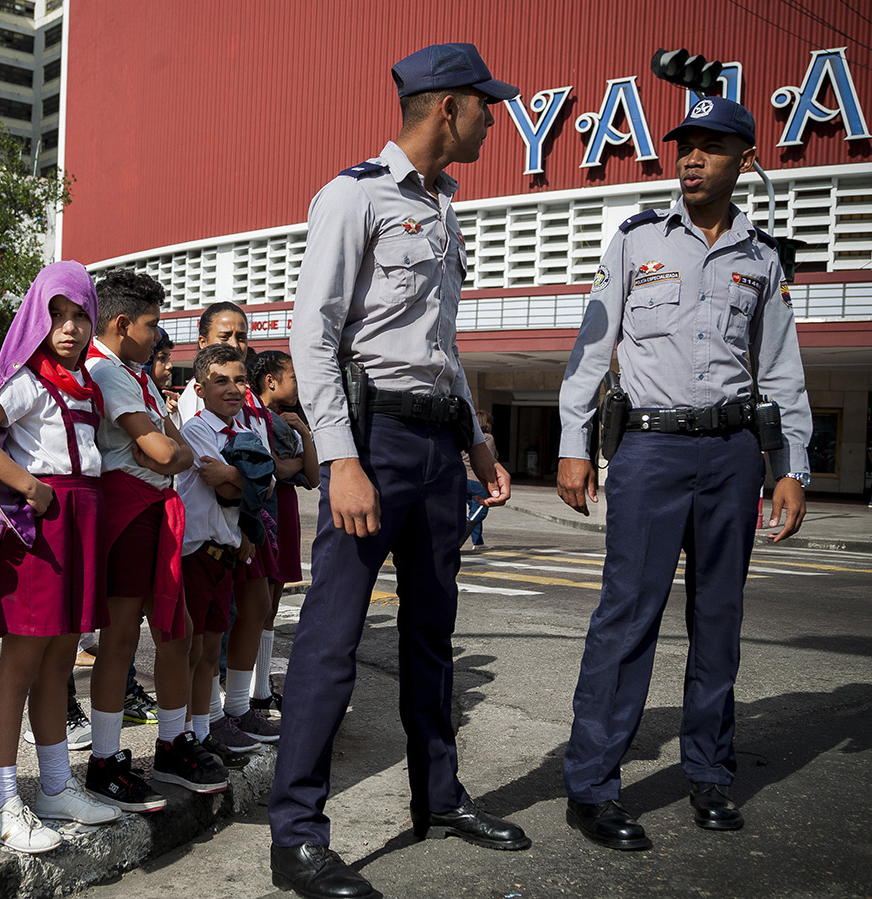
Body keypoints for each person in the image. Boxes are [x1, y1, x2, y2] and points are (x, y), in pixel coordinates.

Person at [269, 43, 528, 899]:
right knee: (332, 639)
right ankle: (296, 836)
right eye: (485, 104)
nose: (495, 116)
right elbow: (315, 334)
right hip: (370, 440)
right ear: (446, 106)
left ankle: (438, 796)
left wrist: (476, 439)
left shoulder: (446, 205)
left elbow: (437, 348)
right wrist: (340, 458)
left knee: (430, 633)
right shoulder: (352, 195)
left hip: (433, 446)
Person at [556, 96, 812, 850]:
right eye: (684, 146)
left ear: (745, 160)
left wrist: (786, 466)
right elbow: (591, 342)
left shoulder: (761, 259)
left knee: (718, 624)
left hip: (731, 453)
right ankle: (593, 786)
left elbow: (779, 371)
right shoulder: (635, 241)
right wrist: (573, 437)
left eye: (710, 147)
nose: (691, 158)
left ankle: (708, 773)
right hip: (649, 449)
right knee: (625, 618)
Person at [0, 260, 122, 853]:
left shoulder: (90, 385)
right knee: (20, 662)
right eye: (56, 317)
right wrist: (27, 488)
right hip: (44, 526)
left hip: (83, 522)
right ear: (34, 321)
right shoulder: (26, 381)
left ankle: (54, 785)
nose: (70, 328)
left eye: (80, 316)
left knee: (59, 660)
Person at [83, 269, 224, 812]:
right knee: (118, 639)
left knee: (176, 632)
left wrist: (169, 447)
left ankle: (172, 742)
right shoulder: (109, 372)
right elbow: (167, 453)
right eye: (152, 324)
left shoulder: (132, 372)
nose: (158, 335)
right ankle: (104, 759)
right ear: (122, 324)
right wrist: (167, 447)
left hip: (155, 508)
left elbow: (178, 448)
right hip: (127, 509)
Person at [176, 303, 281, 746]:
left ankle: (211, 724)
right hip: (198, 549)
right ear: (200, 387)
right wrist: (248, 479)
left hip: (230, 542)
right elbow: (220, 483)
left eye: (240, 379)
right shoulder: (196, 424)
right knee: (193, 647)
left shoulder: (245, 427)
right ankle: (193, 729)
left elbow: (266, 480)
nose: (234, 388)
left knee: (214, 639)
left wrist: (244, 479)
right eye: (222, 380)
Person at [248, 350, 319, 717]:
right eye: (293, 377)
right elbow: (270, 468)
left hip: (286, 508)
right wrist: (287, 467)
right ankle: (248, 692)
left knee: (273, 601)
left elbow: (312, 476)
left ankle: (261, 692)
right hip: (267, 509)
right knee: (257, 603)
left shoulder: (287, 421)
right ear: (271, 380)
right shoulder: (251, 412)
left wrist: (304, 433)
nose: (299, 385)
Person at [462, 409, 497, 548]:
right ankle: (461, 535)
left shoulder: (465, 436)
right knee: (479, 512)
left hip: (464, 479)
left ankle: (478, 543)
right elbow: (489, 459)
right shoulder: (487, 438)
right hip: (477, 481)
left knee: (473, 510)